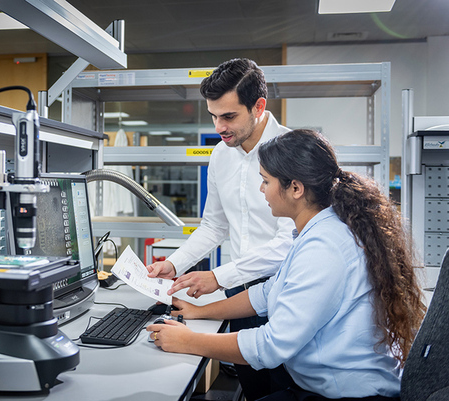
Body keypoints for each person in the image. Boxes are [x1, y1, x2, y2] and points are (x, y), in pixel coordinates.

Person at [147, 129, 427, 401]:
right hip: (323, 387)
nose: (262, 190)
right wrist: (200, 312)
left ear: (295, 188)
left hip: (348, 395)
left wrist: (188, 341)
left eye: (266, 181)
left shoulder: (324, 247)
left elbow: (272, 345)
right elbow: (268, 293)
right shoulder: (318, 231)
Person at [146, 58, 295, 399]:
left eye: (228, 116)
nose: (219, 127)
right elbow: (214, 225)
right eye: (214, 116)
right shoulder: (220, 155)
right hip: (239, 294)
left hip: (286, 292)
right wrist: (174, 263)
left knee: (286, 389)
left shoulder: (291, 151)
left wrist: (218, 276)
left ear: (259, 106)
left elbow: (290, 243)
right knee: (256, 390)